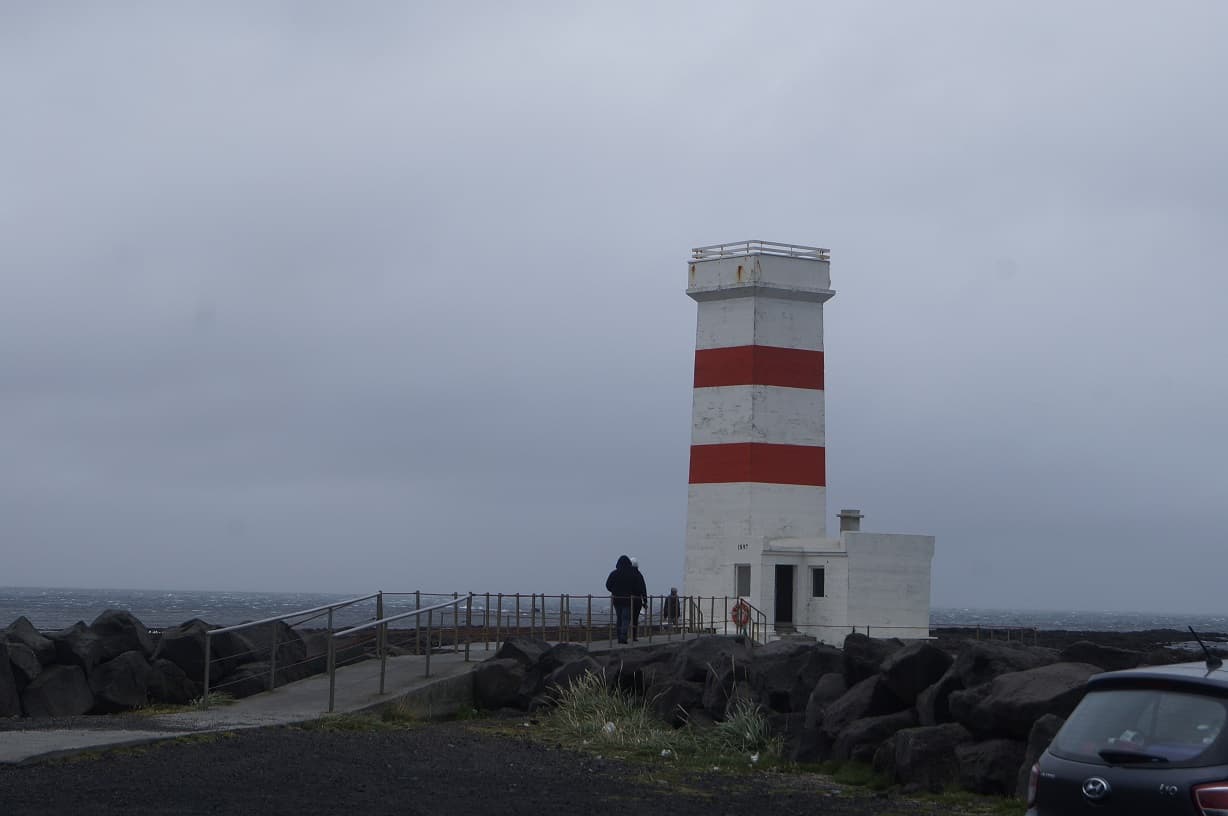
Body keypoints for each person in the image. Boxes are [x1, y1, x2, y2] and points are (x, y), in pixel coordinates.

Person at [605, 555, 639, 644]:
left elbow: (608, 585)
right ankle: (623, 636)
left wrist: (614, 591)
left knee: (619, 618)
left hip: (616, 599)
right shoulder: (632, 574)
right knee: (626, 618)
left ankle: (619, 636)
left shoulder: (614, 573)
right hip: (628, 600)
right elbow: (636, 587)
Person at [629, 556, 648, 641]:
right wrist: (645, 601)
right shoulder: (639, 575)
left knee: (626, 618)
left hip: (627, 599)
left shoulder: (627, 574)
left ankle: (623, 636)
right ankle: (634, 636)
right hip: (637, 600)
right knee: (635, 619)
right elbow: (643, 589)